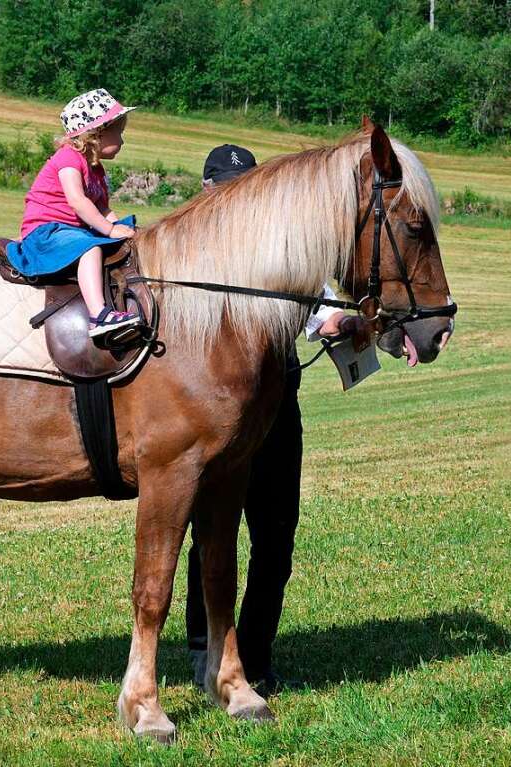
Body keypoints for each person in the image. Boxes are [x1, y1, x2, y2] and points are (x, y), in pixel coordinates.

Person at [186, 144, 370, 694]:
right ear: (208, 189)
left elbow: (319, 310)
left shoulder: (280, 254)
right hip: (213, 416)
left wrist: (348, 325)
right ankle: (205, 651)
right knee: (212, 535)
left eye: (248, 186)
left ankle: (258, 655)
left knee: (275, 539)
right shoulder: (189, 253)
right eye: (228, 187)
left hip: (274, 411)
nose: (238, 198)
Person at [5, 88, 142, 339]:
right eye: (118, 133)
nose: (122, 141)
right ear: (95, 134)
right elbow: (78, 201)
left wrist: (124, 230)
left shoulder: (96, 168)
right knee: (89, 248)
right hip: (48, 230)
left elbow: (101, 208)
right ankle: (99, 315)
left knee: (126, 236)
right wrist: (109, 229)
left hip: (74, 229)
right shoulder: (68, 159)